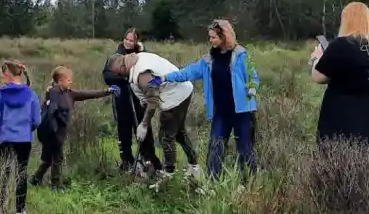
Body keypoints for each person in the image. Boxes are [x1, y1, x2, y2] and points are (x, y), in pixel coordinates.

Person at [161, 19, 260, 180]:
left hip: (242, 111)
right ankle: (213, 184)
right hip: (220, 112)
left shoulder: (242, 54)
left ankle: (248, 184)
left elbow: (253, 76)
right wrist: (165, 77)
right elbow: (188, 72)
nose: (211, 40)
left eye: (214, 37)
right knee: (215, 148)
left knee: (245, 149)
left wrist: (252, 89)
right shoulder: (208, 60)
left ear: (224, 37)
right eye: (210, 37)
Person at [310, 2, 369, 147]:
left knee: (346, 164)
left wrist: (317, 58)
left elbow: (318, 76)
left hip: (347, 117)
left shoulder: (341, 45)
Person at [109, 50, 200, 182]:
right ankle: (194, 166)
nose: (117, 76)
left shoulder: (142, 75)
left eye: (117, 73)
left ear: (123, 67)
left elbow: (153, 100)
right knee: (179, 133)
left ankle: (169, 174)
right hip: (182, 90)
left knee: (165, 136)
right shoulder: (135, 61)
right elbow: (147, 98)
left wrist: (144, 124)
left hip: (175, 96)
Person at [31, 66, 119, 190]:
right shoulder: (54, 93)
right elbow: (51, 113)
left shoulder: (69, 93)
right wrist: (54, 132)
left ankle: (35, 179)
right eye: (68, 79)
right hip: (52, 132)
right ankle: (56, 186)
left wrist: (107, 91)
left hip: (56, 131)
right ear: (60, 80)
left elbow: (87, 94)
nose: (71, 81)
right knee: (57, 158)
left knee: (48, 159)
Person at [100, 28, 158, 175]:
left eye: (131, 40)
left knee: (143, 125)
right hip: (122, 97)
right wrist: (124, 78)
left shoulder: (141, 55)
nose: (128, 42)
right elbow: (107, 76)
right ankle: (127, 159)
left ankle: (149, 159)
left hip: (139, 97)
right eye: (126, 39)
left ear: (136, 42)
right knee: (124, 128)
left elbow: (149, 70)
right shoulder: (116, 55)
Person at [0, 61, 40, 214]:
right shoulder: (31, 94)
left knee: (3, 174)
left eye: (2, 73)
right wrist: (26, 130)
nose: (1, 77)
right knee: (21, 174)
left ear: (7, 74)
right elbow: (36, 120)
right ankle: (20, 213)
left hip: (5, 139)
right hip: (23, 140)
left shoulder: (0, 94)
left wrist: (2, 128)